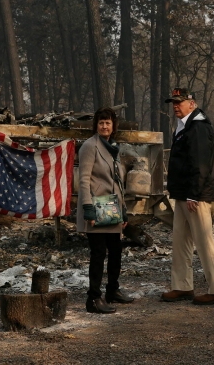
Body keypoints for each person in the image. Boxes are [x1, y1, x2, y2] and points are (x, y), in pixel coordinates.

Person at [161, 88, 214, 305]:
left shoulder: (198, 127)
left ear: (192, 103)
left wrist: (194, 194)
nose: (175, 106)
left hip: (195, 195)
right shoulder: (184, 126)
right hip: (182, 193)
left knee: (204, 240)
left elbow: (200, 164)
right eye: (173, 102)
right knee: (180, 241)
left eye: (179, 102)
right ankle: (182, 286)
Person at [77, 107, 134, 314]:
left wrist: (124, 210)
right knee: (99, 253)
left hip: (111, 208)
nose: (104, 126)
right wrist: (88, 209)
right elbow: (83, 180)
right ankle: (93, 299)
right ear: (96, 125)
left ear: (113, 126)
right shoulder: (89, 146)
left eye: (108, 122)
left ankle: (113, 291)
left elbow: (118, 182)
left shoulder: (112, 148)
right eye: (101, 122)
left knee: (116, 251)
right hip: (96, 207)